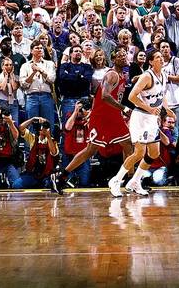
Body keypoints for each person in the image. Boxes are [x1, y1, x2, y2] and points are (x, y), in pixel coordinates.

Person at [57, 48, 133, 192]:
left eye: (125, 55)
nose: (123, 57)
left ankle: (130, 180)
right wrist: (123, 108)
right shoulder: (111, 74)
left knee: (128, 145)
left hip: (113, 116)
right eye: (120, 55)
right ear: (113, 59)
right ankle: (63, 176)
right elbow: (104, 95)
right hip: (103, 117)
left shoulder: (122, 74)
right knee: (90, 150)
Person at [108, 48, 169, 196]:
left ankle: (135, 181)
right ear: (150, 61)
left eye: (162, 57)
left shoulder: (164, 75)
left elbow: (161, 96)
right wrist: (149, 108)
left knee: (154, 153)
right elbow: (132, 97)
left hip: (152, 118)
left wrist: (167, 110)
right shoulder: (146, 76)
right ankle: (116, 180)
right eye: (158, 57)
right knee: (139, 153)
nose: (161, 59)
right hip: (141, 117)